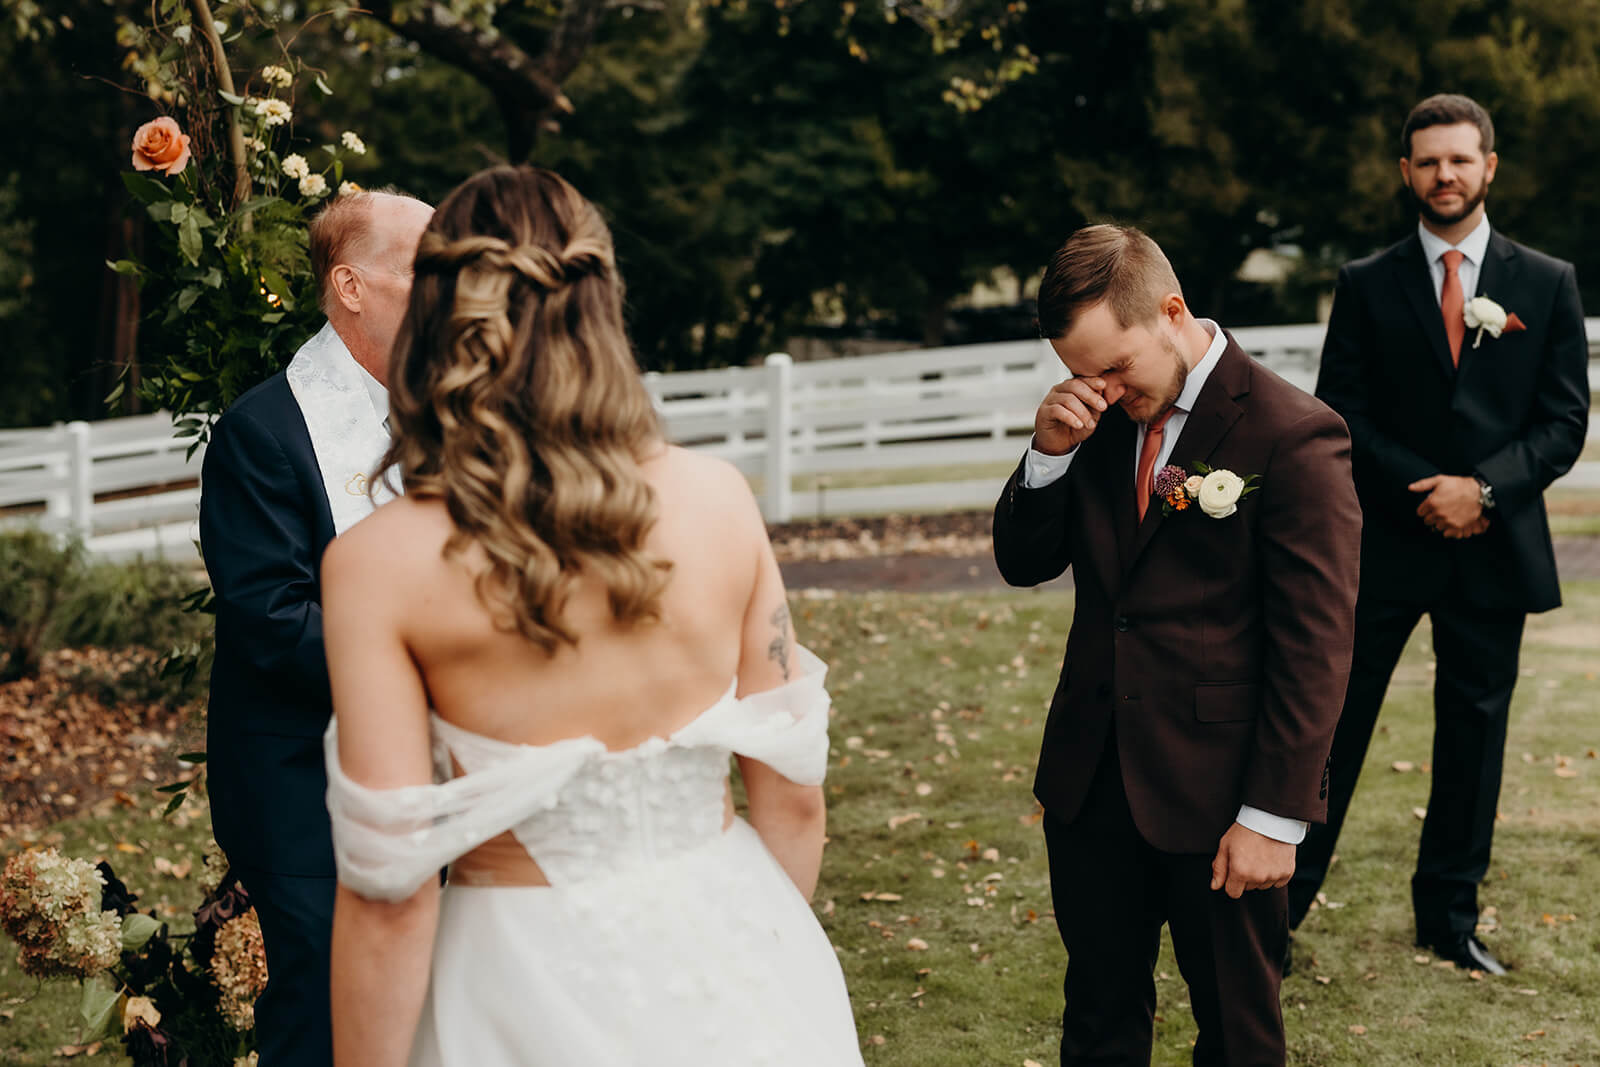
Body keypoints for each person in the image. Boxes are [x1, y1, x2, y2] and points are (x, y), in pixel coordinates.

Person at [318, 165, 863, 1066]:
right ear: (601, 308)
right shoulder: (719, 503)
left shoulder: (379, 565)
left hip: (515, 988)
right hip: (744, 967)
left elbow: (391, 892)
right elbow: (794, 800)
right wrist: (757, 961)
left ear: (442, 319)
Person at [993, 224, 1361, 1065]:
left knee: (1236, 1032)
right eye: (1082, 372)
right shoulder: (1096, 422)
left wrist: (1274, 815)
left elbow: (1317, 646)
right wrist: (1047, 457)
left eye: (1116, 366)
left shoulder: (1294, 434)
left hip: (1225, 798)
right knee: (1097, 1020)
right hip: (1092, 786)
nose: (1104, 389)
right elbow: (1023, 562)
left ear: (1171, 311)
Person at [1293, 94, 1591, 974]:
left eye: (1460, 159)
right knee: (1330, 731)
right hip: (1384, 544)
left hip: (1494, 549)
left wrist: (1483, 490)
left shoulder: (1546, 282)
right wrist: (1425, 490)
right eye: (1428, 161)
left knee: (1474, 739)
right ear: (1406, 172)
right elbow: (1340, 410)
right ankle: (1279, 910)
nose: (1445, 175)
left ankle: (1449, 921)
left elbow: (1562, 421)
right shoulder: (1366, 283)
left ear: (1489, 166)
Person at [199, 188, 434, 1066]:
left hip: (431, 765)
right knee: (328, 1007)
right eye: (424, 268)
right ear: (351, 286)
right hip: (301, 785)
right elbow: (270, 618)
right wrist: (427, 668)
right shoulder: (262, 433)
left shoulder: (445, 414)